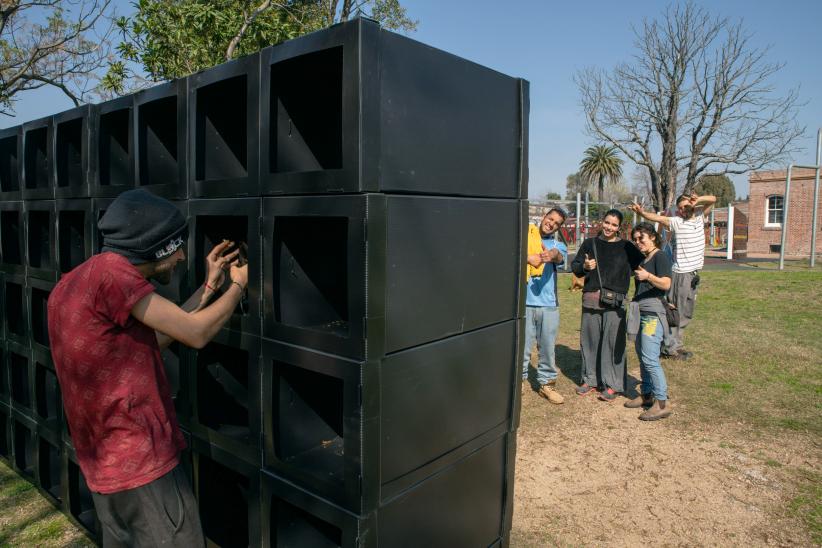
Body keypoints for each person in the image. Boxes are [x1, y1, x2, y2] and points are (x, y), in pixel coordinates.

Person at [47, 189, 248, 547]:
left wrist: (208, 288)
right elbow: (197, 334)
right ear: (154, 250)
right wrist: (237, 286)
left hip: (106, 466)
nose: (182, 257)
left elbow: (154, 339)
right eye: (176, 248)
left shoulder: (79, 280)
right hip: (142, 466)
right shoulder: (116, 277)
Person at [629, 192, 715, 360]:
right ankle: (669, 348)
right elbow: (657, 219)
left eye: (686, 206)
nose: (683, 210)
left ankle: (675, 344)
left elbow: (713, 199)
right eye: (680, 208)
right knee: (676, 312)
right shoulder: (677, 222)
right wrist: (641, 213)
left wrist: (698, 200)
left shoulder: (699, 217)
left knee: (687, 313)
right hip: (681, 274)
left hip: (693, 275)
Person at [571, 209, 643, 402]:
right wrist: (585, 267)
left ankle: (612, 384)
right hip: (591, 301)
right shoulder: (589, 244)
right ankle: (590, 380)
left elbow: (643, 266)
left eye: (614, 225)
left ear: (619, 228)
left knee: (613, 344)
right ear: (602, 222)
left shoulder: (627, 247)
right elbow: (575, 267)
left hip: (615, 304)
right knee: (590, 341)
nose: (609, 227)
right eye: (607, 222)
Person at [626, 223, 673, 420]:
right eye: (635, 239)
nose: (638, 242)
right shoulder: (644, 258)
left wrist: (648, 276)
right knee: (642, 354)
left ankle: (662, 402)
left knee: (650, 358)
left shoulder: (660, 256)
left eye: (641, 238)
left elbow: (666, 283)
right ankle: (646, 394)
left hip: (652, 314)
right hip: (640, 310)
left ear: (652, 237)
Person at [523, 208, 568, 404]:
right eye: (550, 219)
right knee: (522, 348)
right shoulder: (526, 237)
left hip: (548, 306)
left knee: (547, 348)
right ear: (544, 217)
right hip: (523, 303)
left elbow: (559, 256)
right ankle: (519, 383)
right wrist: (527, 257)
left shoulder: (558, 244)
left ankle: (546, 384)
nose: (551, 223)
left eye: (557, 223)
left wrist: (551, 254)